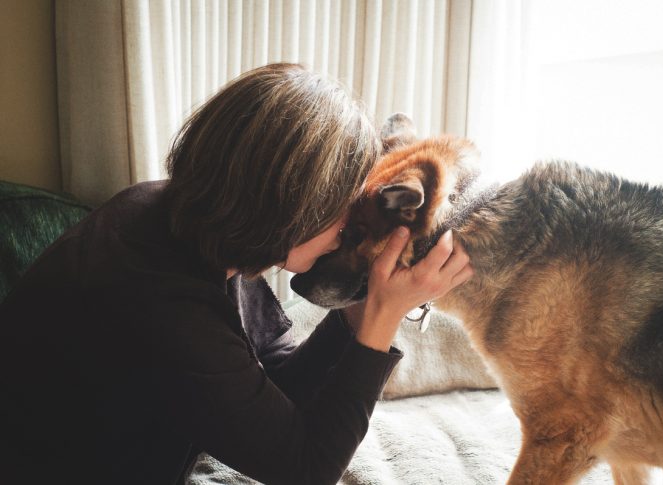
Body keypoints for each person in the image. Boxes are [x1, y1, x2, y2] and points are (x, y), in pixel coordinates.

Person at [0, 63, 472, 485]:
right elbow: (307, 469)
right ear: (292, 205)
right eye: (343, 215)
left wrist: (365, 303)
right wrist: (380, 321)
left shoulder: (182, 217)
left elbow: (277, 386)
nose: (344, 235)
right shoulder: (163, 305)